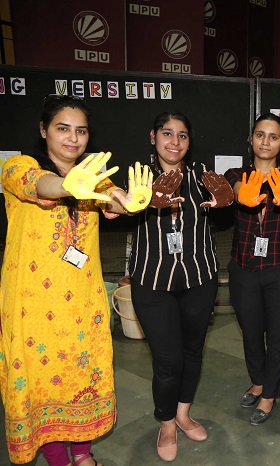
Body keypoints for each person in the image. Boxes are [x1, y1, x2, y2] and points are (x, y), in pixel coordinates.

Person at [0, 95, 152, 466]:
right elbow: (41, 186)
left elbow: (115, 201)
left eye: (80, 131)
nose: (73, 138)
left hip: (82, 301)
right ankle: (57, 457)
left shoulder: (93, 177)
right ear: (43, 130)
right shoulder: (19, 166)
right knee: (41, 378)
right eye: (62, 128)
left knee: (82, 372)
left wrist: (131, 200)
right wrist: (70, 186)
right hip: (32, 304)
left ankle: (83, 453)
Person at [129, 111, 234, 462]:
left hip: (197, 277)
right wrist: (142, 200)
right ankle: (166, 422)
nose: (175, 142)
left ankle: (184, 413)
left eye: (183, 135)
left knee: (192, 351)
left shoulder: (202, 176)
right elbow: (118, 212)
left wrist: (224, 205)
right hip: (153, 280)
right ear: (153, 136)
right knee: (168, 359)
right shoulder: (138, 177)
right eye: (168, 134)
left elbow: (221, 218)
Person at [224, 113, 280, 425]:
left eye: (273, 136)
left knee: (279, 334)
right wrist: (238, 191)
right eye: (260, 135)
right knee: (250, 331)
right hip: (243, 267)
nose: (265, 141)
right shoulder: (235, 173)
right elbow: (230, 188)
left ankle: (269, 394)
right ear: (250, 139)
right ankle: (258, 380)